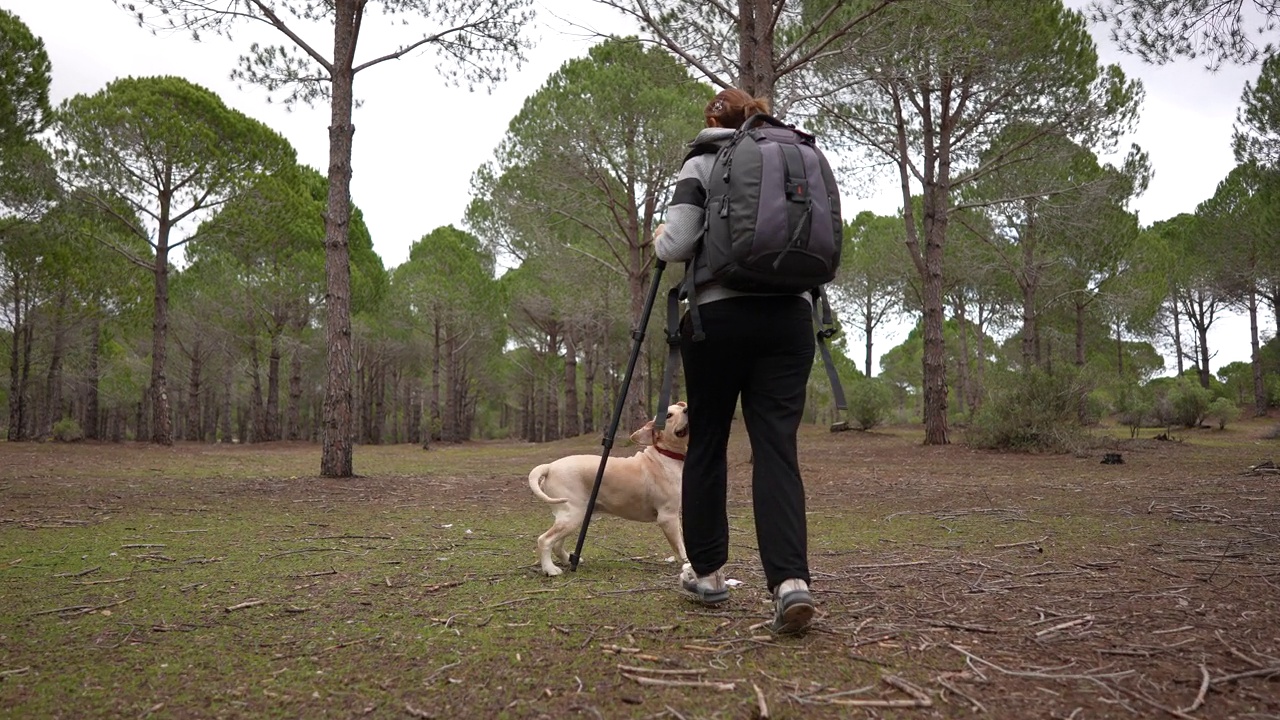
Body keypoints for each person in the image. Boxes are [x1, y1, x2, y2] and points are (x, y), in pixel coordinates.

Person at [653, 88, 816, 635]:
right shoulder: (794, 153)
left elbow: (676, 243)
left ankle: (708, 574)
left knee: (709, 443)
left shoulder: (703, 158)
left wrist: (659, 237)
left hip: (718, 318)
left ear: (711, 117)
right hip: (791, 318)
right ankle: (791, 583)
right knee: (776, 448)